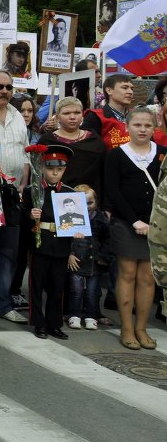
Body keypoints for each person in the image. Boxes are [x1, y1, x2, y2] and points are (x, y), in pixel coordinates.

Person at [104, 106, 162, 351]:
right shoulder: (116, 155)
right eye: (137, 125)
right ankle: (127, 328)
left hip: (157, 225)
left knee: (148, 277)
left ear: (154, 128)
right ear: (127, 127)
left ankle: (141, 328)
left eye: (147, 125)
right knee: (127, 273)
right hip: (126, 223)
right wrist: (134, 221)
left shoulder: (163, 154)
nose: (142, 129)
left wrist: (154, 222)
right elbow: (112, 190)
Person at [0, 70, 29, 325]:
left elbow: (24, 154)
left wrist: (22, 185)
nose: (5, 91)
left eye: (9, 87)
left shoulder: (17, 115)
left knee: (7, 250)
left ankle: (3, 303)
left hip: (10, 192)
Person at [24, 144, 78, 339]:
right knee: (37, 285)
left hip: (61, 245)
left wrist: (77, 232)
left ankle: (54, 324)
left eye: (59, 169)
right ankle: (38, 323)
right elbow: (21, 219)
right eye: (50, 168)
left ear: (65, 169)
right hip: (41, 243)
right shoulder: (33, 190)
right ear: (42, 167)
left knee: (57, 287)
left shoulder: (70, 192)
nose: (54, 173)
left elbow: (75, 219)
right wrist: (30, 215)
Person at [66, 184, 110, 330]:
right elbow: (65, 239)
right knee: (75, 290)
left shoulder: (101, 218)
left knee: (93, 292)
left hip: (95, 262)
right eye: (82, 203)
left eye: (90, 202)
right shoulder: (69, 218)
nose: (87, 206)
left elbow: (107, 239)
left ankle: (91, 316)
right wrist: (69, 255)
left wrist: (103, 257)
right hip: (76, 260)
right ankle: (74, 315)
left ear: (96, 201)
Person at [38, 97, 106, 191]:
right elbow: (38, 173)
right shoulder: (47, 141)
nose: (72, 117)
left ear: (82, 115)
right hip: (57, 196)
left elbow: (104, 173)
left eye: (77, 113)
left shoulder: (94, 140)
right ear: (57, 117)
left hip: (90, 198)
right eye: (66, 113)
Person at [81, 73, 134, 150]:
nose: (130, 92)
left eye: (132, 89)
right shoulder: (94, 117)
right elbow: (89, 149)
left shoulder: (137, 115)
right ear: (109, 90)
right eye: (125, 88)